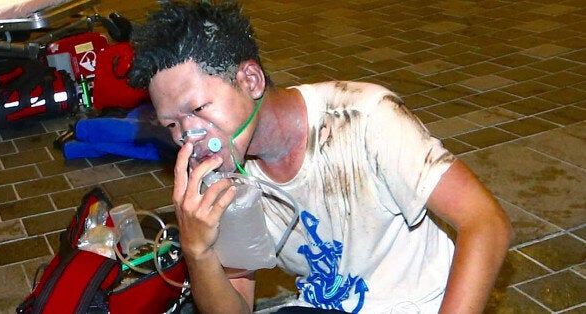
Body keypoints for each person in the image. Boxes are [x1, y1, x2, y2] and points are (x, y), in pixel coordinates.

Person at [128, 1, 514, 313]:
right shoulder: (226, 179)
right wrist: (199, 251)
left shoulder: (363, 118)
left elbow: (487, 223)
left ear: (250, 80)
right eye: (172, 124)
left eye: (197, 109)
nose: (189, 137)